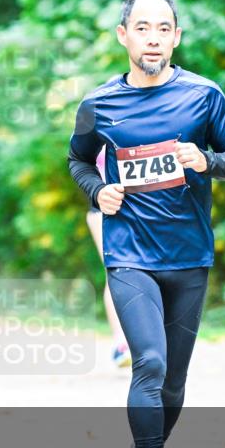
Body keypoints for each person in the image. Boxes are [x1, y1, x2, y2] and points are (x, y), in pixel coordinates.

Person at [67, 0, 225, 448]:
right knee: (150, 360)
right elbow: (78, 161)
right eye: (142, 28)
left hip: (189, 255)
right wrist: (98, 190)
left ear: (176, 37)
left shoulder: (204, 96)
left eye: (163, 28)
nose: (153, 38)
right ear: (123, 35)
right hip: (129, 253)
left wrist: (206, 161)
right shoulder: (99, 105)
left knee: (173, 382)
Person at [85, 145, 130, 368]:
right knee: (115, 271)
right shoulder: (91, 131)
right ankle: (121, 344)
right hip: (102, 212)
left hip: (138, 209)